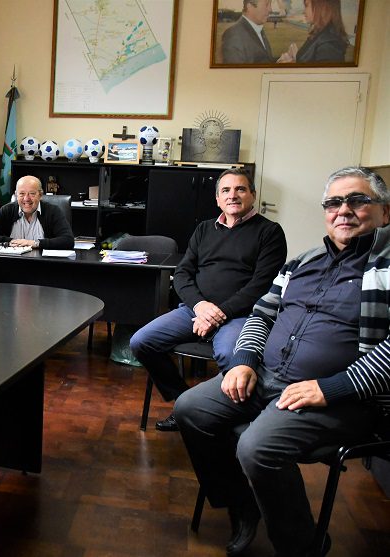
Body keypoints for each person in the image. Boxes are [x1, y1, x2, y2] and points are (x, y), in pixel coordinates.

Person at [174, 166, 390, 556]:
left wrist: (332, 387)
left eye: (358, 200)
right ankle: (243, 502)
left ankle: (302, 546)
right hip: (266, 375)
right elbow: (262, 315)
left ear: (385, 213)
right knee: (190, 408)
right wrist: (242, 360)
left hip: (341, 396)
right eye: (334, 202)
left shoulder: (387, 269)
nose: (344, 210)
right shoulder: (303, 262)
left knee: (256, 447)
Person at [130, 168, 287, 432]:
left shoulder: (269, 232)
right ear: (217, 199)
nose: (233, 195)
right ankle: (185, 404)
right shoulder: (204, 229)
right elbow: (182, 274)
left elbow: (261, 286)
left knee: (232, 356)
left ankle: (227, 418)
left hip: (240, 316)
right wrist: (201, 306)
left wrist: (218, 314)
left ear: (253, 195)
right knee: (142, 342)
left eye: (240, 189)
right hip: (194, 311)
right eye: (226, 190)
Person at [0, 175, 75, 250]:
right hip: (11, 263)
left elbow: (68, 241)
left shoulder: (53, 211)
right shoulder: (7, 210)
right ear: (16, 195)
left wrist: (35, 243)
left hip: (43, 265)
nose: (26, 199)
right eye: (22, 194)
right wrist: (11, 241)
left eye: (32, 194)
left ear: (40, 195)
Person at [277, 0, 348, 64]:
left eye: (307, 5)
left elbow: (321, 76)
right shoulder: (321, 34)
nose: (304, 11)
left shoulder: (329, 43)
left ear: (321, 7)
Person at [221, 0, 275, 64]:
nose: (270, 9)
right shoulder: (233, 35)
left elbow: (263, 60)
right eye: (266, 4)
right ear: (250, 7)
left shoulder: (257, 28)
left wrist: (280, 62)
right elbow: (236, 72)